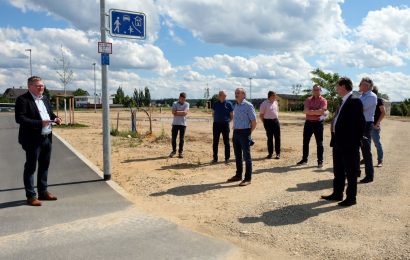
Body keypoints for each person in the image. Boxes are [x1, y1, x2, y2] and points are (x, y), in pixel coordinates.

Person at [15, 76, 62, 206]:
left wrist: (56, 118)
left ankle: (43, 192)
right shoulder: (23, 100)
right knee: (31, 167)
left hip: (47, 137)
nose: (41, 88)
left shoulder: (45, 99)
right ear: (30, 86)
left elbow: (50, 114)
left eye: (42, 85)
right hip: (32, 139)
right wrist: (40, 123)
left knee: (44, 165)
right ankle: (31, 196)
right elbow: (20, 119)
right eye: (38, 86)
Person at [322, 77, 365, 207]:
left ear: (343, 87)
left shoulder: (355, 101)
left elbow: (360, 123)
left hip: (349, 143)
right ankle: (337, 193)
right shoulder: (343, 101)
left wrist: (355, 141)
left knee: (351, 171)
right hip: (338, 141)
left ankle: (351, 198)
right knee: (338, 169)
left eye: (337, 86)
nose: (336, 88)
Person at [227, 88, 257, 186]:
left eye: (238, 93)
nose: (236, 94)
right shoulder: (236, 105)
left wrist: (248, 133)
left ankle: (248, 178)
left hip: (244, 132)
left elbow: (254, 122)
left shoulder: (248, 105)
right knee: (238, 155)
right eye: (235, 93)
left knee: (246, 157)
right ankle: (238, 175)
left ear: (244, 95)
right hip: (236, 132)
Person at [297, 84, 328, 167]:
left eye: (317, 90)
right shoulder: (308, 99)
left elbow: (322, 112)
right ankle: (304, 160)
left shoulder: (323, 100)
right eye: (314, 90)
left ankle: (320, 161)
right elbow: (305, 111)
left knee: (319, 143)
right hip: (308, 123)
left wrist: (310, 111)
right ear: (312, 91)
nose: (316, 91)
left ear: (320, 91)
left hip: (318, 124)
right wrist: (316, 111)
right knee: (305, 142)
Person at [359, 77, 377, 183]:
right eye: (361, 83)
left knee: (366, 150)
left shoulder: (371, 96)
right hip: (359, 124)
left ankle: (369, 176)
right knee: (356, 148)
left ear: (368, 86)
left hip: (366, 124)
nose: (360, 85)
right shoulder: (361, 95)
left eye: (362, 84)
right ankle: (356, 171)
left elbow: (360, 108)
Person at [212, 90, 233, 164]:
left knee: (226, 142)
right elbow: (213, 114)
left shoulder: (229, 104)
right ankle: (215, 158)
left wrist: (227, 121)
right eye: (220, 95)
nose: (219, 96)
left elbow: (231, 115)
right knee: (215, 142)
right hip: (216, 124)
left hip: (225, 125)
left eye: (222, 95)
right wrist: (216, 120)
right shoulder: (215, 104)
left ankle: (227, 158)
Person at [259, 91, 281, 159]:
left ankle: (278, 153)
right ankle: (270, 153)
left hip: (275, 121)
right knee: (270, 138)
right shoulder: (264, 103)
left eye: (275, 96)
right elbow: (261, 115)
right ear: (270, 96)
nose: (275, 97)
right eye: (274, 96)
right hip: (268, 122)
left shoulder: (275, 102)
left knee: (277, 138)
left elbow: (277, 111)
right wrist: (265, 122)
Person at [170, 92, 189, 158]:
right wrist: (181, 112)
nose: (183, 100)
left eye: (184, 99)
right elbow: (173, 112)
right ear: (179, 98)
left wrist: (177, 112)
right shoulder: (174, 103)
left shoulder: (187, 104)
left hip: (183, 124)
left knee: (181, 139)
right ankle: (174, 151)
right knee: (173, 139)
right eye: (182, 99)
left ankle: (180, 152)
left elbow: (185, 113)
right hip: (175, 124)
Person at [370, 86, 385, 167]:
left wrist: (377, 123)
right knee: (366, 143)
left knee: (377, 143)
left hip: (374, 126)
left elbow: (383, 112)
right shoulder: (368, 101)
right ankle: (366, 158)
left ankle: (380, 160)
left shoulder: (379, 101)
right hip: (367, 125)